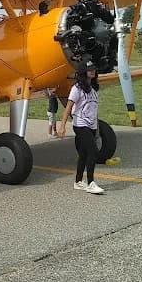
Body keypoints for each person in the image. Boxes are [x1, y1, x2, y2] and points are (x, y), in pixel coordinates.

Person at [58, 60, 105, 194]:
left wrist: (97, 128)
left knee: (84, 154)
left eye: (94, 69)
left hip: (91, 125)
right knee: (93, 151)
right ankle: (91, 183)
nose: (93, 71)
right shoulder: (76, 89)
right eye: (89, 69)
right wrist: (62, 126)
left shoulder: (94, 88)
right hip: (80, 125)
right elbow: (68, 108)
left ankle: (78, 182)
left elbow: (94, 108)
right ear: (83, 72)